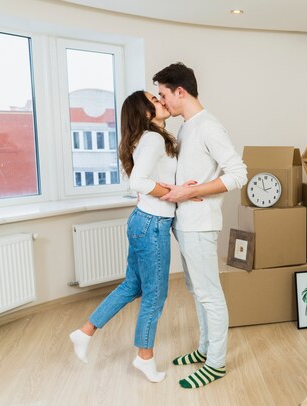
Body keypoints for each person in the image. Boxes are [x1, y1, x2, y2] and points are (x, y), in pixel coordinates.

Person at [69, 90, 178, 383]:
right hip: (152, 223)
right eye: (154, 100)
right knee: (155, 295)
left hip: (142, 221)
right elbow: (138, 182)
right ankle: (145, 358)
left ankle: (84, 332)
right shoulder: (153, 138)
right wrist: (173, 191)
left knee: (132, 286)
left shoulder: (147, 138)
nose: (161, 101)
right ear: (144, 113)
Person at [153, 62, 247, 389]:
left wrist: (192, 190)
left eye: (164, 95)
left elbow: (238, 174)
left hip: (200, 224)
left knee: (210, 294)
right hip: (185, 223)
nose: (162, 102)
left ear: (180, 91)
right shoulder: (186, 126)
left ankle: (216, 363)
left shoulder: (209, 127)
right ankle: (205, 349)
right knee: (196, 291)